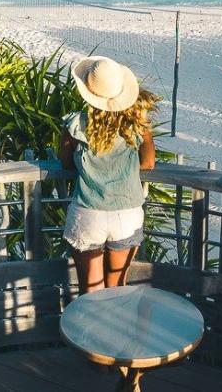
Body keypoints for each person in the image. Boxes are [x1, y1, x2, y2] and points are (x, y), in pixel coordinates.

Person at [60, 56, 157, 294]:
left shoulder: (75, 124)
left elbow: (66, 163)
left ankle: (87, 332)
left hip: (88, 211)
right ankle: (117, 330)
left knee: (90, 291)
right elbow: (148, 162)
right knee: (117, 289)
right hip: (126, 212)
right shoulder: (136, 125)